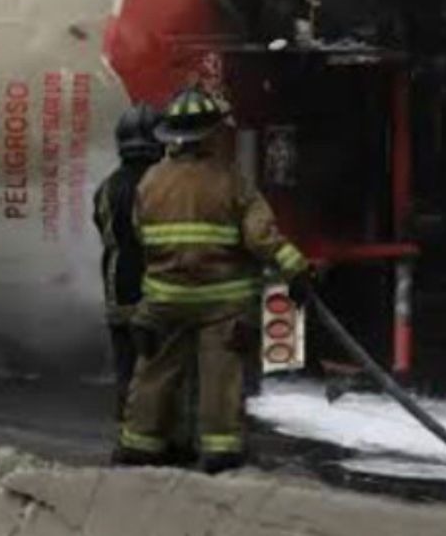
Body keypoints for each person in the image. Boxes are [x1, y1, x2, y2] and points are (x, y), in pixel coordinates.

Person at [115, 86, 313, 474]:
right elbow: (262, 238)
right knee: (220, 377)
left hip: (164, 299)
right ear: (211, 134)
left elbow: (141, 236)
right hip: (223, 304)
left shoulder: (150, 182)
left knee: (155, 372)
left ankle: (140, 444)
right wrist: (297, 272)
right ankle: (220, 451)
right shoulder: (232, 181)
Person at [93, 104, 164, 420]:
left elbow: (103, 228)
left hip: (117, 292)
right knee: (160, 370)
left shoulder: (106, 187)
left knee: (126, 370)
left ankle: (128, 429)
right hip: (156, 292)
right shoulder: (161, 183)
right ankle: (153, 435)